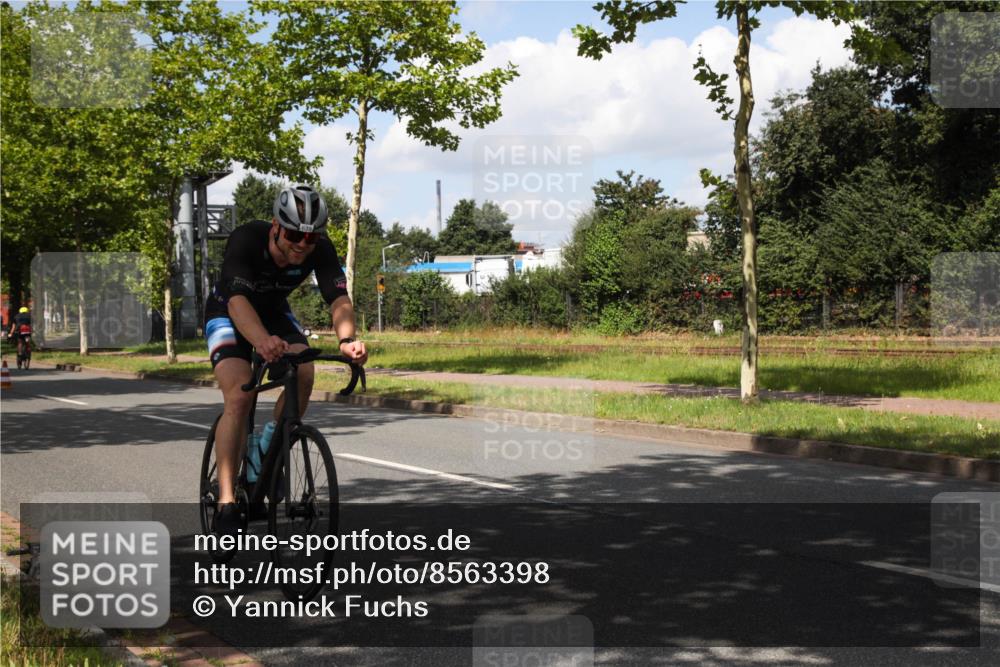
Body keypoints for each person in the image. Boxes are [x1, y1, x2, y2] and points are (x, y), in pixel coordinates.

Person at [204, 184, 367, 536]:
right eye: (294, 234)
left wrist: (347, 340)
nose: (302, 244)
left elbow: (338, 299)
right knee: (240, 395)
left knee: (304, 372)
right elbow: (237, 302)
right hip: (229, 311)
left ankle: (267, 448)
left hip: (275, 313)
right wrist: (262, 341)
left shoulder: (318, 249)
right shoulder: (247, 239)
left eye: (310, 238)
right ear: (277, 227)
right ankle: (227, 500)